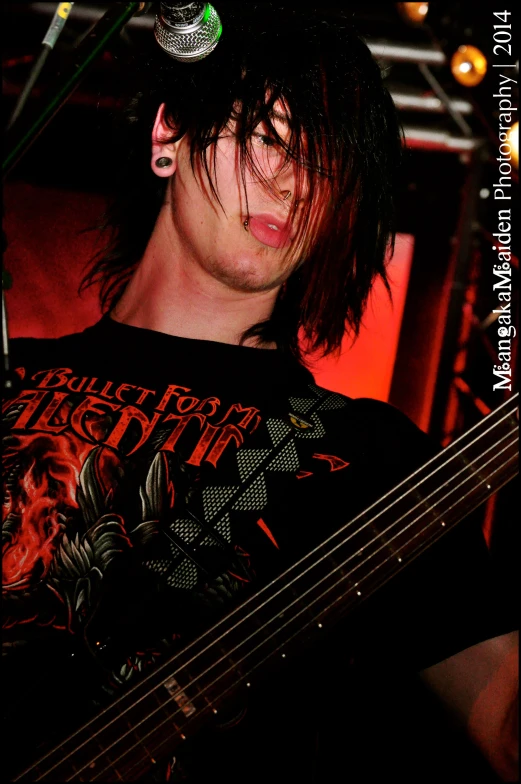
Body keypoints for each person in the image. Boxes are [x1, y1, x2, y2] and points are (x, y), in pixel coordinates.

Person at [2, 6, 518, 783]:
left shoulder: (369, 458)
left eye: (327, 165)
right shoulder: (15, 378)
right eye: (271, 137)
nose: (294, 182)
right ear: (167, 134)